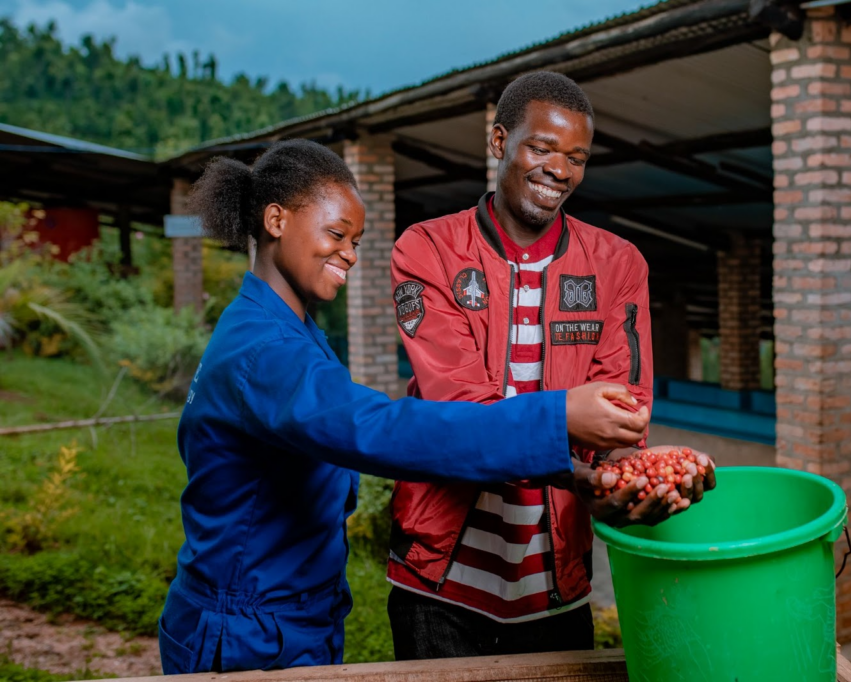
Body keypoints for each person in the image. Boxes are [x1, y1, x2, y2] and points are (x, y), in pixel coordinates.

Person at [157, 139, 652, 675]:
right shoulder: (264, 351)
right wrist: (555, 416)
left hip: (294, 617)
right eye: (336, 234)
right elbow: (380, 430)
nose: (350, 254)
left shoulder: (286, 328)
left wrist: (570, 472)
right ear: (276, 220)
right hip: (246, 631)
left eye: (355, 241)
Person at [386, 71, 715, 660]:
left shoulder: (617, 264)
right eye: (541, 148)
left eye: (577, 158)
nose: (559, 170)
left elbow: (622, 418)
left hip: (553, 588)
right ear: (499, 142)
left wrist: (627, 477)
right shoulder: (428, 249)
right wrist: (567, 428)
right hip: (439, 586)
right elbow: (458, 411)